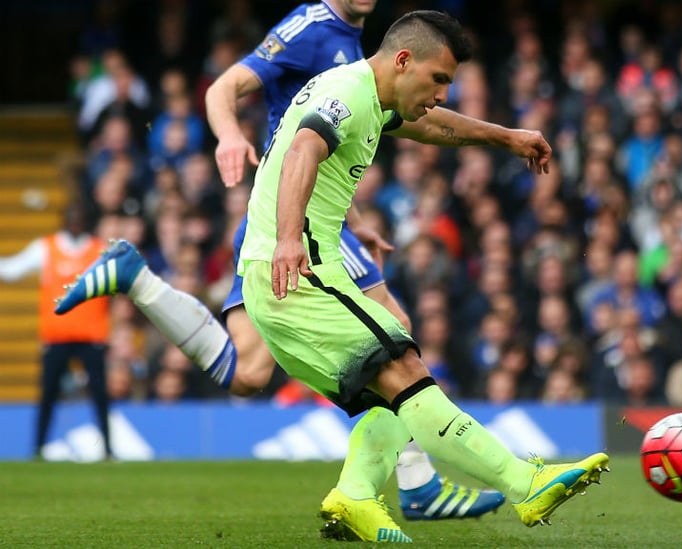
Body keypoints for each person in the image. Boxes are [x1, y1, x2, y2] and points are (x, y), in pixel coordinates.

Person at [56, 0, 502, 520]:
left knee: (248, 373)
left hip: (314, 213)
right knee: (393, 331)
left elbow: (355, 134)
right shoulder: (312, 28)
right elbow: (228, 89)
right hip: (292, 216)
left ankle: (140, 282)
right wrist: (227, 135)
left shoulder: (361, 47)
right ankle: (417, 483)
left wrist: (357, 222)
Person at [240, 10, 608, 541]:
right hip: (301, 274)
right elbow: (303, 148)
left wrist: (505, 137)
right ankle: (524, 483)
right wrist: (289, 238)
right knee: (406, 368)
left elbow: (431, 125)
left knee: (390, 398)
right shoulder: (346, 92)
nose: (440, 93)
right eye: (438, 79)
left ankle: (355, 496)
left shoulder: (374, 99)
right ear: (404, 60)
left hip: (292, 280)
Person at [0, 204, 112, 460]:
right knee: (48, 394)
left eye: (79, 218)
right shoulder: (46, 248)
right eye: (71, 217)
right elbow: (12, 270)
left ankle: (107, 448)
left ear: (85, 221)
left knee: (100, 394)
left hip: (92, 335)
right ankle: (38, 447)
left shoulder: (99, 250)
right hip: (56, 336)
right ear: (63, 220)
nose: (75, 223)